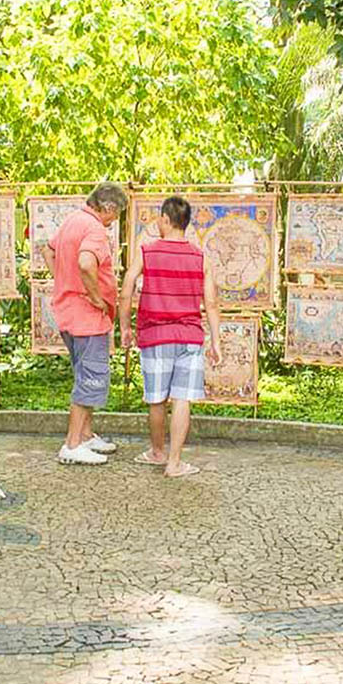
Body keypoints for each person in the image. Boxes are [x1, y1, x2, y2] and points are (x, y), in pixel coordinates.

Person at [119, 196, 221, 478]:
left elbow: (127, 290)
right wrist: (217, 341)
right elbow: (211, 303)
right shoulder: (200, 257)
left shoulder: (147, 252)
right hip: (189, 337)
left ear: (165, 219)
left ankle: (157, 452)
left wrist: (125, 327)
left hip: (155, 336)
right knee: (182, 400)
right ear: (185, 224)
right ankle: (174, 463)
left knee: (156, 400)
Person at [42, 181, 127, 465]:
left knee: (83, 373)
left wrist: (62, 282)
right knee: (89, 378)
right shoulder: (93, 229)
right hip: (87, 317)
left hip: (67, 312)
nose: (114, 223)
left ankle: (87, 434)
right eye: (115, 217)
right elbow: (87, 263)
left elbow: (48, 251)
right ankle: (72, 444)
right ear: (108, 207)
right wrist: (95, 296)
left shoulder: (72, 221)